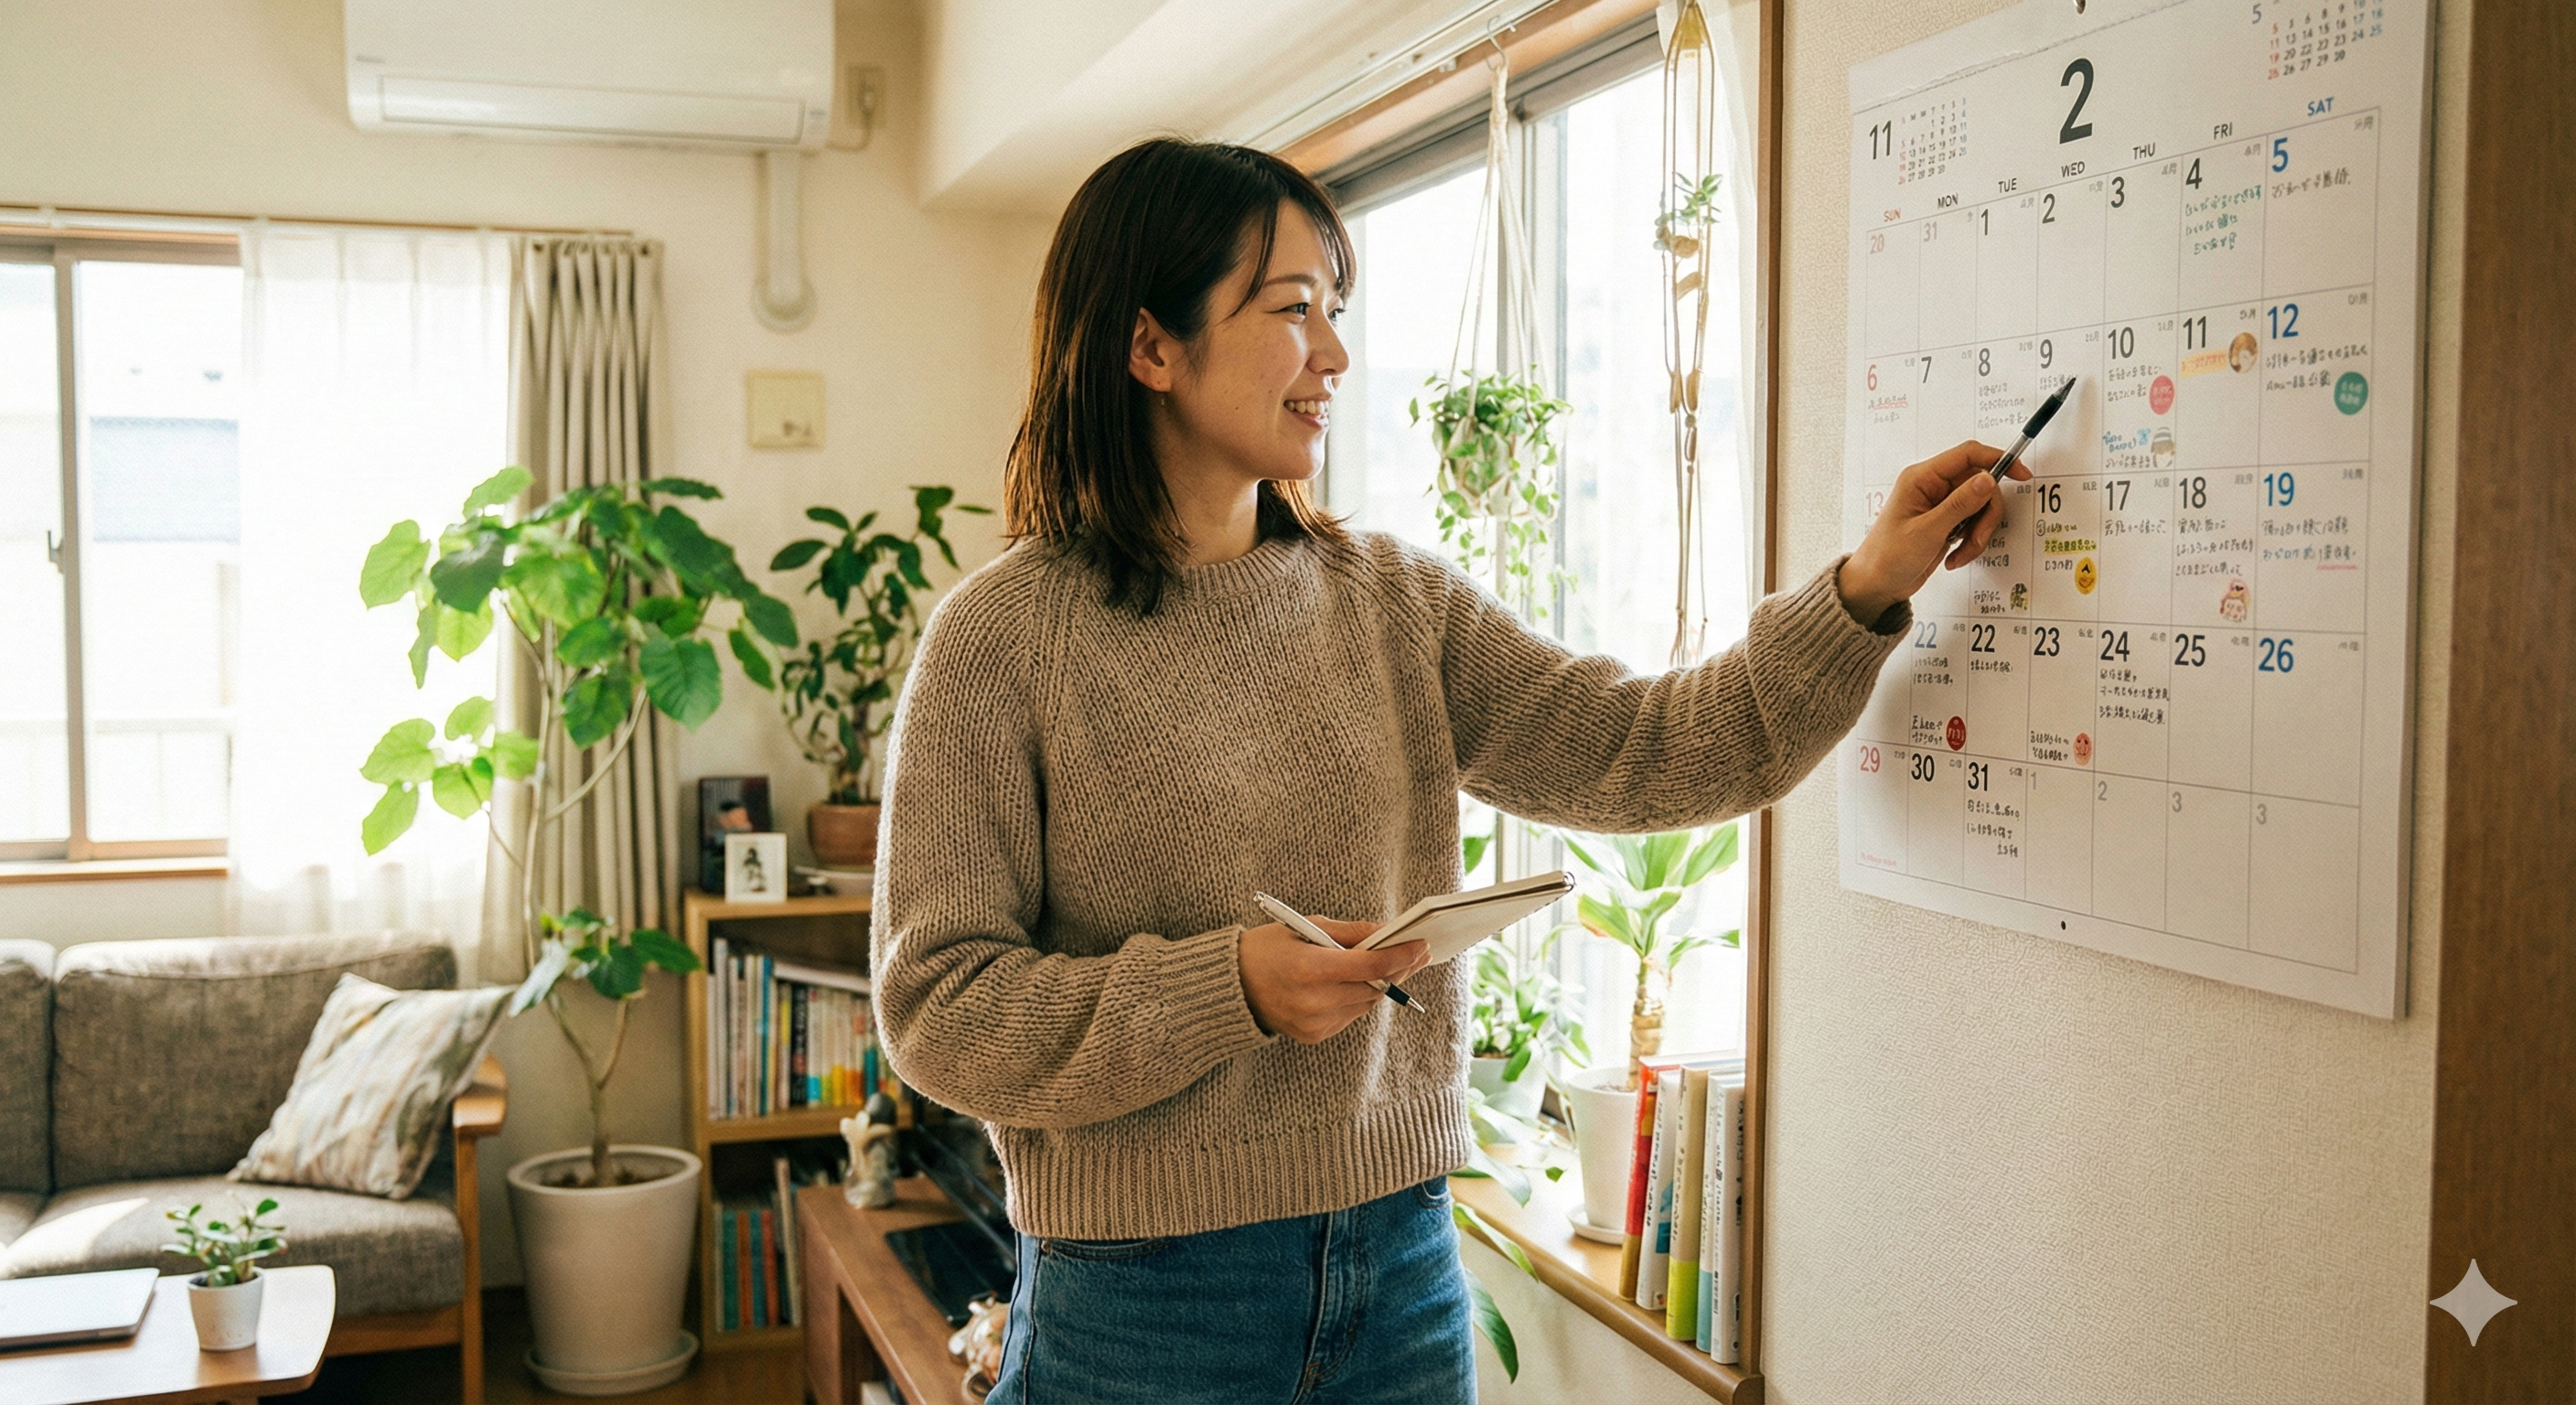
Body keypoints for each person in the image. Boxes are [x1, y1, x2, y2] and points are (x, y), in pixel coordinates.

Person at [871, 137, 2023, 1405]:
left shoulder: (1394, 601)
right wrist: (1228, 990)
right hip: (1144, 1301)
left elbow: (1649, 753)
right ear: (1151, 347)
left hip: (1402, 1271)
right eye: (1293, 311)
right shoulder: (999, 641)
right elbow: (938, 1010)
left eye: (1339, 312)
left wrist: (1866, 588)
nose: (1336, 357)